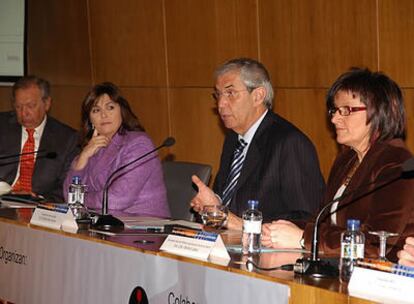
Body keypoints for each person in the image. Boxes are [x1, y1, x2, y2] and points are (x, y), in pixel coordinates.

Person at [262, 68, 414, 261]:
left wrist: (303, 239)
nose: (334, 119)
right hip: (340, 268)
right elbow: (321, 222)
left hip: (384, 277)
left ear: (378, 112)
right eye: (334, 110)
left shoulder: (396, 163)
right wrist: (276, 228)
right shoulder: (346, 160)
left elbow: (375, 245)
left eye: (346, 110)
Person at [190, 58, 325, 229]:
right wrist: (212, 205)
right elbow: (232, 203)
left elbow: (306, 218)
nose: (220, 104)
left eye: (230, 93)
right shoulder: (234, 138)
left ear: (258, 96)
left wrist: (235, 221)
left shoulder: (290, 143)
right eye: (218, 95)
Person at [64, 82, 170, 217]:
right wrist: (83, 159)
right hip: (103, 224)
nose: (104, 115)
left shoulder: (139, 145)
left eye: (110, 107)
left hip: (144, 227)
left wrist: (78, 200)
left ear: (122, 111)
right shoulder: (92, 147)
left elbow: (116, 200)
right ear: (90, 119)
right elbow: (67, 195)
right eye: (96, 110)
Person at [0, 75, 79, 202]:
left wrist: (40, 200)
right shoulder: (2, 125)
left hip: (40, 207)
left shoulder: (67, 138)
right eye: (18, 107)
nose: (23, 113)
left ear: (47, 103)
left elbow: (65, 185)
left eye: (30, 106)